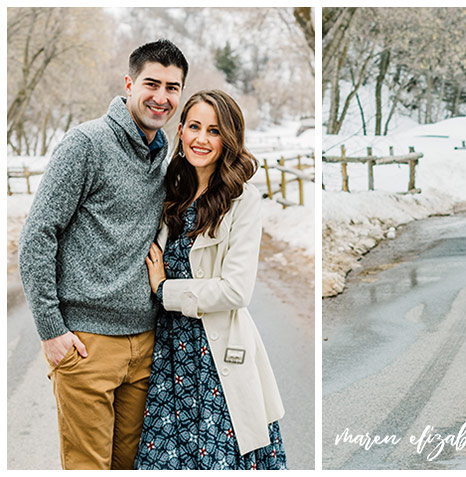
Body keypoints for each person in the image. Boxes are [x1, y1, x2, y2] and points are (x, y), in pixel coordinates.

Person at [18, 39, 187, 469]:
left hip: (144, 344)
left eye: (172, 87)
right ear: (129, 83)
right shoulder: (86, 144)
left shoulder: (160, 150)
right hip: (86, 343)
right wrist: (51, 330)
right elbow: (38, 235)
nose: (161, 97)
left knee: (130, 465)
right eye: (152, 83)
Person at [134, 90, 286, 469]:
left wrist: (165, 290)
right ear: (181, 131)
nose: (202, 139)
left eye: (214, 131)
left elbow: (236, 290)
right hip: (168, 354)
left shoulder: (242, 200)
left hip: (214, 354)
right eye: (195, 127)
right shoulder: (170, 190)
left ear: (228, 139)